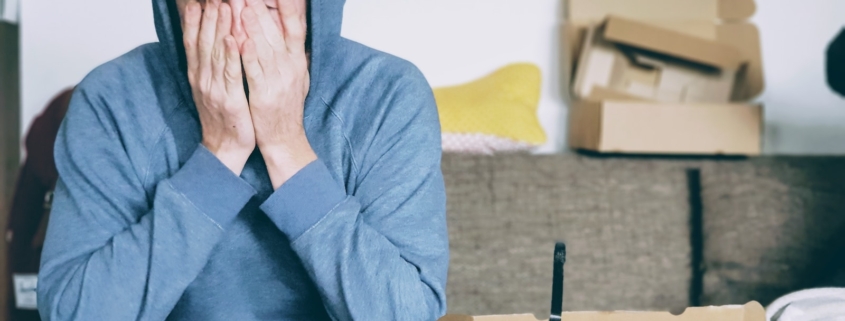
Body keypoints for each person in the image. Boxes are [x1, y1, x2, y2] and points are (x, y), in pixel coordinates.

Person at [36, 0, 449, 320]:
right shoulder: (112, 98)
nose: (236, 15)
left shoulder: (388, 94)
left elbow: (407, 312)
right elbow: (75, 311)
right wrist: (220, 153)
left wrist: (286, 145)